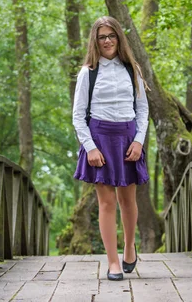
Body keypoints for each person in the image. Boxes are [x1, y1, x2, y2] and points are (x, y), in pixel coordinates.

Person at [72, 16, 149, 281]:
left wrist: (139, 140)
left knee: (127, 200)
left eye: (111, 36)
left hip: (128, 140)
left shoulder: (132, 70)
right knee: (106, 203)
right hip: (100, 140)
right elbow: (78, 115)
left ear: (119, 38)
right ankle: (113, 262)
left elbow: (142, 110)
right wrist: (90, 147)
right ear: (95, 40)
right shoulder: (88, 73)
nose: (107, 41)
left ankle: (129, 247)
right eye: (102, 37)